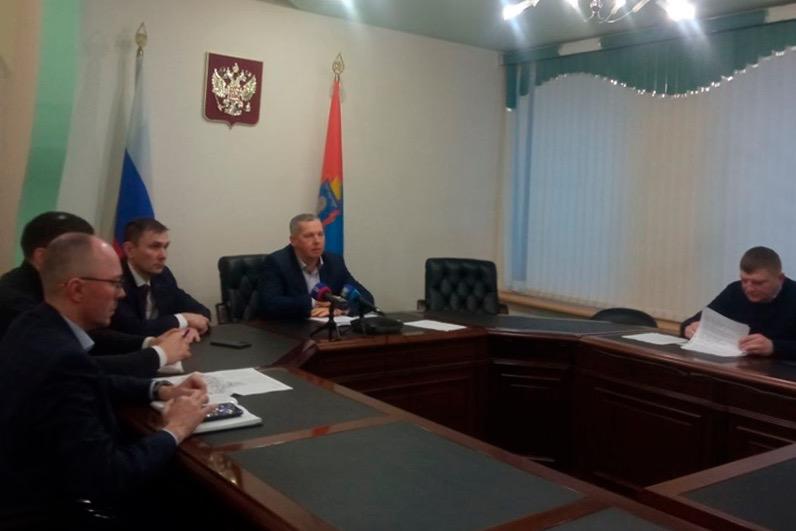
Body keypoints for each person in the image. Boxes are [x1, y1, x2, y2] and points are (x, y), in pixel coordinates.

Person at [0, 233, 212, 519]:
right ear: (77, 289)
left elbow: (91, 377)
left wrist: (160, 389)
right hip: (54, 507)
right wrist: (177, 428)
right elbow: (110, 476)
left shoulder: (33, 324)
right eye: (114, 283)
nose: (121, 294)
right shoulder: (62, 357)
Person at [0, 211, 192, 377]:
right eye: (81, 252)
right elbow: (77, 367)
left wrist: (148, 343)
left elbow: (89, 336)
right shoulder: (14, 303)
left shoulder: (54, 286)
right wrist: (159, 354)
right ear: (42, 257)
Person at [681, 246, 796, 358]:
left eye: (758, 283)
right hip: (735, 363)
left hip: (780, 367)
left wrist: (773, 347)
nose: (749, 288)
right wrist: (688, 328)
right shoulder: (735, 291)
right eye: (744, 280)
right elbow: (692, 322)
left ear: (780, 278)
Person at [259, 213, 373, 319]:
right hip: (291, 329)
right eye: (309, 236)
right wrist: (314, 303)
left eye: (320, 234)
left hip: (329, 328)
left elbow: (366, 298)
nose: (317, 241)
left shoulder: (334, 262)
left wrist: (342, 309)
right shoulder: (277, 262)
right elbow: (269, 304)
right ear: (293, 241)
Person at [111, 218, 211, 336]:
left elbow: (202, 312)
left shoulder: (163, 275)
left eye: (165, 247)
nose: (163, 255)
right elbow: (133, 329)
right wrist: (184, 319)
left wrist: (191, 328)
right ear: (130, 250)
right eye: (155, 246)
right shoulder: (114, 280)